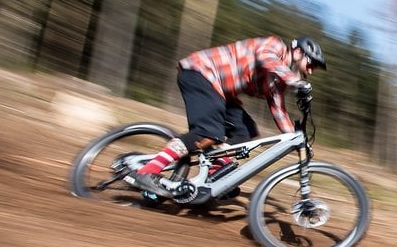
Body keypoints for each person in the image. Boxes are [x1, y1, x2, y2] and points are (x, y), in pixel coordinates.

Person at [126, 35, 326, 198]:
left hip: (219, 90)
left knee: (245, 129)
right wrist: (295, 82)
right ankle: (147, 172)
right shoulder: (274, 46)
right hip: (201, 72)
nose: (312, 70)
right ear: (298, 52)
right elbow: (266, 58)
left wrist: (299, 142)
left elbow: (279, 111)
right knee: (207, 133)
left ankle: (214, 175)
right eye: (312, 63)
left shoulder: (276, 82)